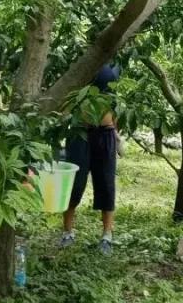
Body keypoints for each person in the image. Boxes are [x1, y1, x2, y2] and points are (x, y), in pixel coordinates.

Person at [59, 63, 120, 254]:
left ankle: (107, 236)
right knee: (74, 184)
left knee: (106, 184)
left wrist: (115, 133)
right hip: (80, 133)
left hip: (106, 134)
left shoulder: (118, 64)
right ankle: (67, 233)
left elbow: (117, 102)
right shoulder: (86, 61)